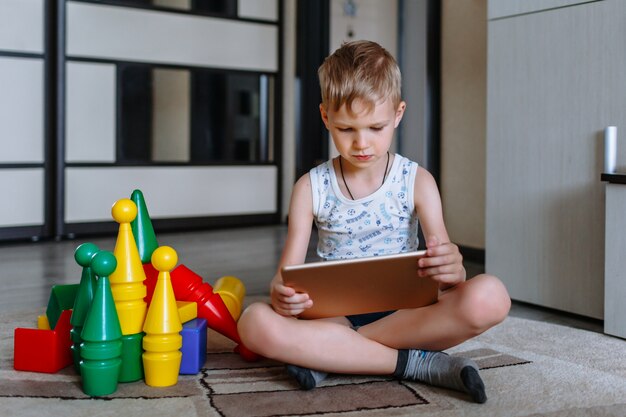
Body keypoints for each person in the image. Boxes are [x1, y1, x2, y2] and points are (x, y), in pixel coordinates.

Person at [237, 40, 510, 403]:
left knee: (491, 296)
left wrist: (454, 269)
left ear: (398, 115)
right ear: (325, 118)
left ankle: (333, 355)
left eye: (376, 127)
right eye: (347, 130)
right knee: (253, 322)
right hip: (335, 317)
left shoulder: (418, 181)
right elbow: (284, 276)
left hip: (407, 315)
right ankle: (414, 364)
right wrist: (282, 295)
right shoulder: (309, 187)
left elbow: (449, 276)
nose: (361, 143)